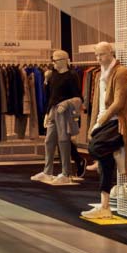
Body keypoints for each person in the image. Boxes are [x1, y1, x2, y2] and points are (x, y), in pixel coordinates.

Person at [81, 41, 127, 219]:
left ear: (111, 52)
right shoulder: (99, 75)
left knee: (95, 149)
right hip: (103, 122)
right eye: (96, 55)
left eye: (102, 55)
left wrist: (103, 119)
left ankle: (117, 175)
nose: (99, 59)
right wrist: (93, 125)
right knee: (103, 159)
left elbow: (119, 102)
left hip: (116, 122)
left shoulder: (122, 72)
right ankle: (105, 205)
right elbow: (97, 102)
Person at [30, 50, 85, 185]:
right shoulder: (53, 75)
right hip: (54, 110)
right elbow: (52, 96)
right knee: (49, 141)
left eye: (54, 60)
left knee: (63, 141)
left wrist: (67, 103)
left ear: (62, 60)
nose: (52, 63)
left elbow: (79, 98)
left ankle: (66, 173)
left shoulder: (71, 76)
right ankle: (47, 171)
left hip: (64, 112)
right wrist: (48, 113)